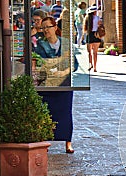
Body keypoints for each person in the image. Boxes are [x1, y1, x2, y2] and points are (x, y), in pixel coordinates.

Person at [35, 16, 74, 153]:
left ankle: (68, 142)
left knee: (65, 113)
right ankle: (44, 142)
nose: (45, 30)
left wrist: (64, 73)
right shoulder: (40, 45)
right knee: (46, 113)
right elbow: (38, 62)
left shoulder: (66, 43)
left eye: (48, 27)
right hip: (47, 85)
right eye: (43, 27)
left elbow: (73, 63)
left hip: (64, 85)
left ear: (55, 28)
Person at [84, 5, 102, 72]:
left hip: (89, 34)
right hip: (96, 35)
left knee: (89, 52)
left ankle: (90, 64)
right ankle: (95, 67)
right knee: (95, 52)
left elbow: (85, 29)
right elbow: (100, 26)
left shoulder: (87, 18)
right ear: (94, 11)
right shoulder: (98, 18)